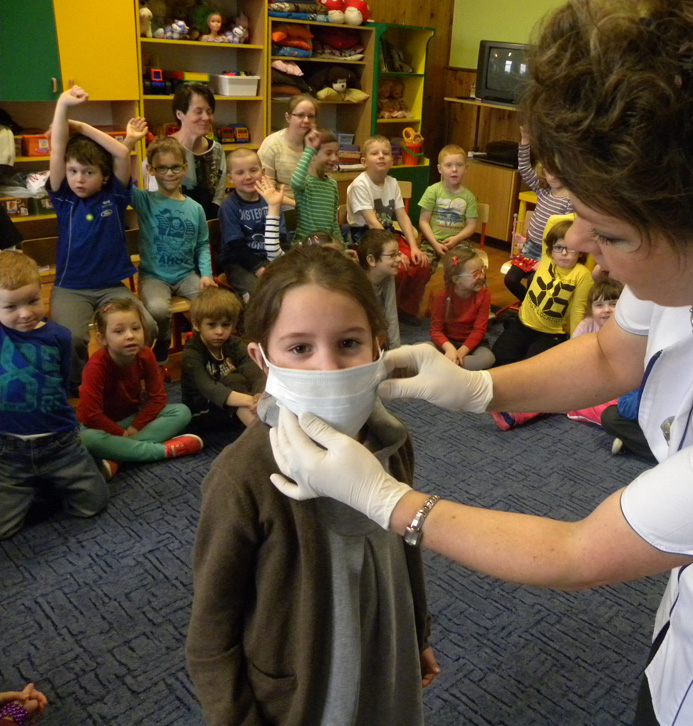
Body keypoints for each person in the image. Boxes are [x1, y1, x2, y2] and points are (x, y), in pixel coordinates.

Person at [266, 0, 693, 725]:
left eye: (608, 233)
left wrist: (385, 500)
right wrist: (480, 388)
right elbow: (614, 356)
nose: (581, 242)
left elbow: (578, 554)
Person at [186, 246, 439, 725]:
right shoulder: (241, 478)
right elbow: (212, 630)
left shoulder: (392, 441)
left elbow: (406, 544)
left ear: (378, 346)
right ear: (262, 357)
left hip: (387, 650)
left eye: (348, 343)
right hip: (307, 693)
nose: (329, 369)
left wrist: (416, 631)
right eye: (300, 349)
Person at [44, 85, 155, 391]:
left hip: (111, 287)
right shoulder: (64, 198)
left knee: (147, 326)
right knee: (70, 339)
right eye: (73, 171)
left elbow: (120, 152)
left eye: (88, 172)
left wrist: (80, 126)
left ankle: (119, 377)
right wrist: (63, 105)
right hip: (71, 288)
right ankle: (79, 386)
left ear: (104, 176)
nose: (78, 179)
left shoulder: (114, 195)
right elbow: (57, 149)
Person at [0, 251, 109, 540]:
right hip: (9, 452)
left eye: (32, 301)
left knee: (92, 505)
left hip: (60, 443)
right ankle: (42, 486)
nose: (25, 313)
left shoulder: (59, 336)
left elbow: (65, 378)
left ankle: (72, 474)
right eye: (11, 306)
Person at [77, 297, 202, 474]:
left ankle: (118, 456)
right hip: (102, 426)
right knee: (85, 438)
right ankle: (162, 451)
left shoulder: (145, 355)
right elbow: (89, 415)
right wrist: (119, 432)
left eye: (135, 328)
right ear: (102, 338)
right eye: (119, 331)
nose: (130, 336)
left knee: (182, 412)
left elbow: (158, 398)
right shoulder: (96, 367)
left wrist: (135, 426)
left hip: (132, 419)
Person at [128, 128, 216, 363]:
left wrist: (206, 274)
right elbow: (120, 184)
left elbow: (202, 244)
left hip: (187, 275)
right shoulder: (145, 200)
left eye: (175, 167)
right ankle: (164, 340)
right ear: (151, 170)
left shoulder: (195, 208)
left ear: (185, 168)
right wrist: (129, 143)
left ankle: (201, 348)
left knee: (211, 304)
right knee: (157, 309)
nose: (169, 173)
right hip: (154, 276)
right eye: (162, 168)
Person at [492, 277, 621, 430]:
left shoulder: (624, 331)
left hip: (610, 385)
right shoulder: (587, 325)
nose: (607, 309)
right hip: (583, 377)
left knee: (604, 404)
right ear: (591, 309)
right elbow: (572, 354)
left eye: (613, 304)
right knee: (552, 384)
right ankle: (514, 411)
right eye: (599, 305)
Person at [347, 136, 431, 323]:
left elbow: (402, 216)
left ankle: (405, 309)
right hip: (366, 238)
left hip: (387, 234)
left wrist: (414, 247)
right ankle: (383, 310)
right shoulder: (360, 185)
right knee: (395, 267)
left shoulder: (392, 183)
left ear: (392, 161)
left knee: (421, 263)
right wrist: (396, 253)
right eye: (375, 153)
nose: (381, 156)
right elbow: (372, 224)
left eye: (385, 153)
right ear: (364, 161)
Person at [491, 216, 593, 367]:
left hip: (550, 333)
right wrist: (580, 217)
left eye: (571, 248)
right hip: (523, 323)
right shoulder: (546, 258)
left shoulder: (583, 275)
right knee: (498, 358)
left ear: (581, 252)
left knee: (534, 368)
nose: (564, 253)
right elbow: (552, 220)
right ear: (551, 249)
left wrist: (574, 344)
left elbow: (578, 310)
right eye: (558, 247)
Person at [505, 127, 574, 303]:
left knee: (533, 282)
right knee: (510, 279)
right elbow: (523, 167)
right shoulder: (542, 189)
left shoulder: (570, 200)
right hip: (530, 248)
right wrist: (525, 139)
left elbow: (564, 231)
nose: (553, 176)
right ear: (544, 170)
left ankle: (532, 310)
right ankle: (529, 307)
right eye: (549, 170)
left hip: (550, 252)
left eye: (559, 171)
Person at [181, 286, 263, 431]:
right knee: (232, 381)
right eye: (212, 325)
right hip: (202, 409)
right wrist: (250, 400)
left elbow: (253, 370)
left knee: (238, 380)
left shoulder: (234, 343)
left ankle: (261, 425)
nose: (219, 332)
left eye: (225, 325)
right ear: (196, 324)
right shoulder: (192, 353)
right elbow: (208, 388)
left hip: (235, 401)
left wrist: (259, 395)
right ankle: (261, 433)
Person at [142, 83, 226, 219]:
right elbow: (156, 198)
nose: (206, 117)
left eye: (209, 111)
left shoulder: (217, 150)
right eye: (198, 112)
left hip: (207, 225)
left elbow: (218, 198)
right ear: (180, 114)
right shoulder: (161, 149)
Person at [219, 148, 286, 300]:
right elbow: (235, 245)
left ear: (263, 172)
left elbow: (281, 237)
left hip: (269, 258)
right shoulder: (229, 206)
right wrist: (258, 269)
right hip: (238, 263)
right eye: (240, 173)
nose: (248, 177)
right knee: (257, 295)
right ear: (230, 178)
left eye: (253, 170)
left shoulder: (271, 200)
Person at [429, 245, 494, 370]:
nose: (482, 276)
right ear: (456, 280)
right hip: (447, 343)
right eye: (475, 274)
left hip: (472, 345)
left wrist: (459, 354)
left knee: (488, 358)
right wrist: (449, 349)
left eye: (482, 270)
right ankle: (453, 368)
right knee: (424, 348)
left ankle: (445, 367)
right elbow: (436, 331)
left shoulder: (484, 295)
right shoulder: (441, 297)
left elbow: (479, 331)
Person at [417, 144, 479, 271]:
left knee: (468, 265)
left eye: (459, 165)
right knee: (421, 266)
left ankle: (457, 284)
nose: (454, 169)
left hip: (459, 242)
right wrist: (435, 243)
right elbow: (423, 221)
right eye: (448, 165)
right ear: (440, 169)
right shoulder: (432, 191)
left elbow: (471, 226)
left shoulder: (469, 197)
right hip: (431, 240)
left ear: (465, 168)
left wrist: (456, 239)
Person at [257, 94, 318, 212]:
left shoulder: (319, 144)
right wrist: (298, 206)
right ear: (288, 117)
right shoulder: (272, 144)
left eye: (311, 116)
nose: (306, 120)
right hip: (283, 206)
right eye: (300, 115)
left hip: (314, 206)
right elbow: (267, 190)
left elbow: (325, 183)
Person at [289, 127, 343, 248]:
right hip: (306, 247)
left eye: (336, 153)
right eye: (328, 153)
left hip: (327, 247)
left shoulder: (332, 184)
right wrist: (309, 150)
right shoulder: (305, 182)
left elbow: (334, 223)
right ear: (312, 155)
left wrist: (343, 249)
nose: (334, 158)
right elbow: (295, 183)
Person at [357, 229, 403, 350]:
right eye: (392, 255)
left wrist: (396, 350)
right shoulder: (357, 281)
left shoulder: (388, 276)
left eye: (398, 254)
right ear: (371, 260)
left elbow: (391, 314)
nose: (399, 259)